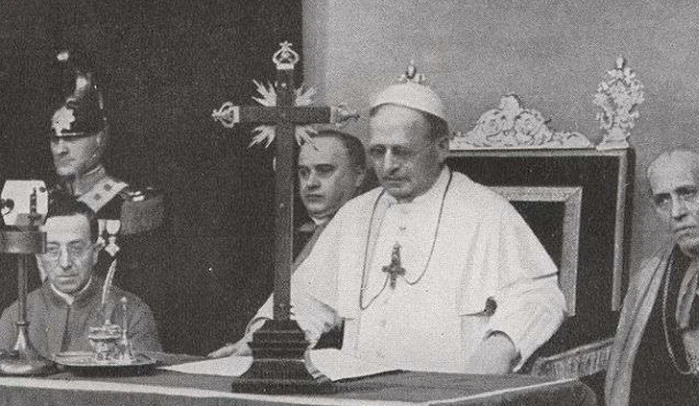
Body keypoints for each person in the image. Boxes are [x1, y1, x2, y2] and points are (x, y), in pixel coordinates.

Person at [212, 73, 565, 374]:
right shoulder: (356, 214)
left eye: (402, 152)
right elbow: (308, 298)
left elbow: (539, 296)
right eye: (378, 152)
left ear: (442, 147)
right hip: (358, 388)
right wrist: (261, 339)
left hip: (446, 387)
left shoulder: (486, 212)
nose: (388, 166)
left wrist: (499, 348)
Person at [605, 149, 699, 406]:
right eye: (663, 200)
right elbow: (638, 387)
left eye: (688, 193)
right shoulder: (652, 278)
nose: (677, 212)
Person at [46, 49, 167, 336]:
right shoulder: (44, 202)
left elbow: (146, 288)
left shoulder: (132, 204)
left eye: (72, 138)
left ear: (99, 139)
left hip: (116, 329)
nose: (61, 149)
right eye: (55, 139)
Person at [0, 197, 161, 357]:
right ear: (39, 255)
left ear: (96, 251)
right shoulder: (14, 317)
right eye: (52, 250)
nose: (65, 263)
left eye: (76, 249)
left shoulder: (132, 313)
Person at [293, 129, 370, 266]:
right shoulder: (293, 235)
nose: (310, 183)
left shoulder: (371, 234)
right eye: (304, 172)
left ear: (358, 175)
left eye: (324, 170)